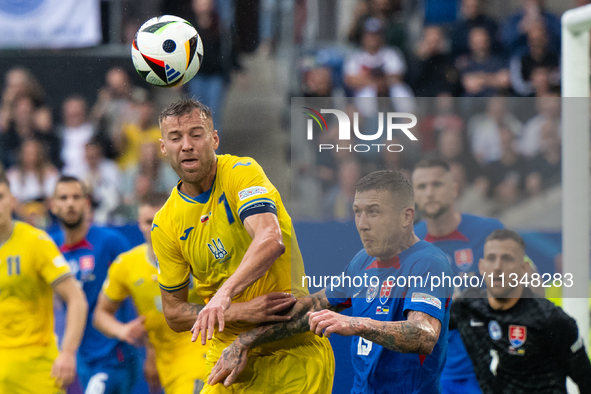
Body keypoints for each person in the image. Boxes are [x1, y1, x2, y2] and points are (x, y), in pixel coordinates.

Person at [208, 170, 454, 393]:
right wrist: (246, 338)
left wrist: (356, 323)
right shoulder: (362, 262)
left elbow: (424, 336)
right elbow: (313, 309)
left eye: (374, 212)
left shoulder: (428, 262)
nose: (363, 224)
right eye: (358, 212)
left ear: (406, 217)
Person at [151, 98, 334, 393]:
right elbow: (173, 313)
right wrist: (236, 311)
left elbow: (270, 239)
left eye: (196, 134)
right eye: (176, 138)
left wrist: (224, 296)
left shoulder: (242, 172)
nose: (186, 145)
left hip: (292, 352)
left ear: (214, 139)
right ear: (163, 148)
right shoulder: (165, 223)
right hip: (228, 358)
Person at [94, 192, 300, 393]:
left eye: (159, 220)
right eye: (148, 222)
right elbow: (101, 314)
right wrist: (125, 333)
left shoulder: (198, 253)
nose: (155, 228)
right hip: (167, 360)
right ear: (139, 224)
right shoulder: (126, 265)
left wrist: (243, 312)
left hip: (205, 346)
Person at [450, 229, 591, 393]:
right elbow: (425, 327)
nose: (497, 267)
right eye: (491, 258)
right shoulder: (467, 308)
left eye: (507, 259)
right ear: (481, 267)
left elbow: (586, 381)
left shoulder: (551, 320)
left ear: (523, 269)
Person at [412, 159, 503, 394]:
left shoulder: (490, 232)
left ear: (454, 188)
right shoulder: (407, 243)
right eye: (422, 187)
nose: (429, 193)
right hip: (430, 376)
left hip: (486, 373)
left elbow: (529, 289)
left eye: (437, 184)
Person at [49, 175, 139, 393]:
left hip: (116, 354)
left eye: (76, 197)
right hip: (81, 356)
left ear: (86, 203)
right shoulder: (50, 248)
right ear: (53, 205)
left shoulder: (110, 242)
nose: (70, 203)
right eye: (63, 198)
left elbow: (138, 289)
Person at [0, 171, 88, 393]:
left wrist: (67, 352)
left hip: (36, 367)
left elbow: (76, 298)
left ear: (13, 200)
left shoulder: (36, 242)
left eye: (0, 196)